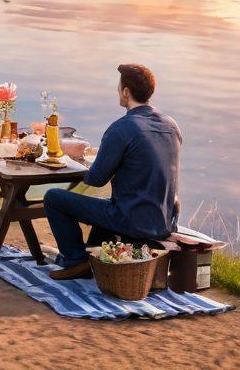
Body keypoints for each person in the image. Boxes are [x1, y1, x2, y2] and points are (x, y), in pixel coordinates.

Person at [44, 63, 182, 280]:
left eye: (119, 88)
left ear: (126, 92)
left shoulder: (122, 128)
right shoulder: (171, 125)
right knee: (109, 204)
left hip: (132, 219)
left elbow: (96, 179)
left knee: (54, 198)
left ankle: (76, 261)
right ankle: (92, 257)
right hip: (163, 220)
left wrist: (78, 159)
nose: (118, 91)